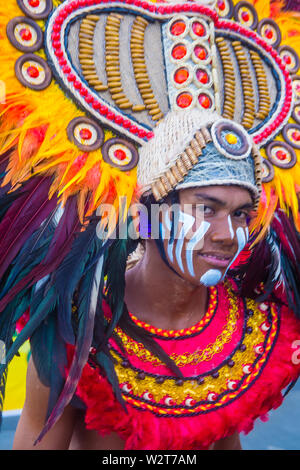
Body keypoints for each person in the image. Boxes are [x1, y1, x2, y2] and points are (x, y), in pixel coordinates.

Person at [1, 0, 300, 451]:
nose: (227, 234)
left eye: (241, 213)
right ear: (149, 212)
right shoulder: (77, 330)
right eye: (206, 208)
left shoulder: (244, 331)